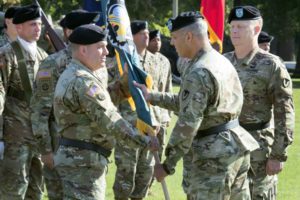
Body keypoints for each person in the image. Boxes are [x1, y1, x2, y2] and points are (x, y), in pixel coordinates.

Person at [135, 11, 259, 200]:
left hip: (213, 158)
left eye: (175, 38)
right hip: (235, 147)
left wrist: (168, 165)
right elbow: (192, 103)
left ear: (189, 37)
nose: (172, 43)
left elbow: (188, 122)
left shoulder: (199, 71)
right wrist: (151, 96)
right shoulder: (220, 60)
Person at [52, 24, 157, 200]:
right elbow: (111, 119)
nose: (106, 52)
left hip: (81, 160)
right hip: (83, 164)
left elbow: (96, 105)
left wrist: (124, 86)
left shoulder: (78, 74)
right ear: (84, 50)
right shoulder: (83, 81)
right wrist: (146, 141)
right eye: (100, 47)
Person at [224, 6, 294, 199]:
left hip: (259, 151)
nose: (235, 31)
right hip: (227, 149)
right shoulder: (222, 62)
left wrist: (278, 154)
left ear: (256, 29)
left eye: (241, 26)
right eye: (233, 26)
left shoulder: (271, 65)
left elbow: (285, 111)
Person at [30, 9, 100, 200]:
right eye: (86, 28)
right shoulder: (51, 64)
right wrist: (45, 151)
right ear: (69, 33)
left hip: (92, 151)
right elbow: (39, 111)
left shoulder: (98, 63)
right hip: (60, 150)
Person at [112, 20, 164, 200]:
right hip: (127, 127)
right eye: (141, 33)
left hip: (150, 127)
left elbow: (159, 92)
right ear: (130, 37)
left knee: (145, 174)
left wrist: (160, 121)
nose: (146, 35)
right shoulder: (116, 63)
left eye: (147, 32)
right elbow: (111, 95)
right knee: (126, 175)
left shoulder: (157, 61)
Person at [0, 4, 48, 199]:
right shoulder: (6, 54)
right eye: (32, 25)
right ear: (18, 28)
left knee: (36, 190)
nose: (38, 29)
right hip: (14, 136)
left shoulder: (43, 57)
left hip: (38, 136)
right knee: (13, 190)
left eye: (39, 24)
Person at [147, 29, 173, 160]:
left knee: (161, 148)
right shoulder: (142, 60)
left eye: (158, 40)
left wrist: (168, 114)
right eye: (153, 40)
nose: (157, 42)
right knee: (149, 153)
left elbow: (168, 87)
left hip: (162, 113)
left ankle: (153, 179)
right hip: (149, 113)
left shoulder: (165, 61)